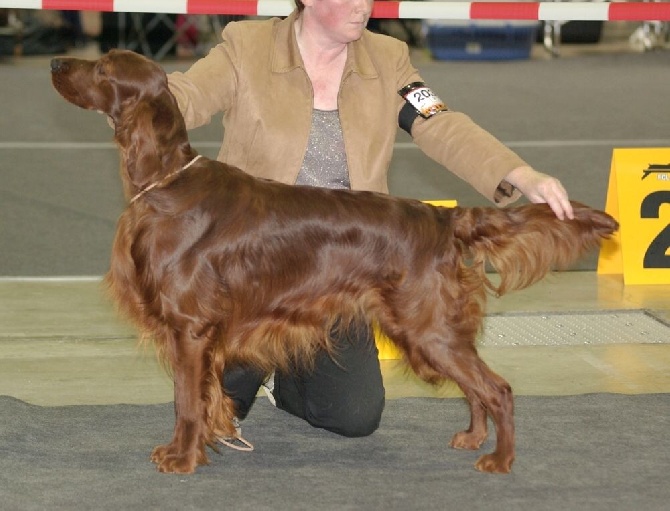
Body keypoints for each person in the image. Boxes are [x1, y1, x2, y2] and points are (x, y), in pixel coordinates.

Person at [166, 0, 574, 439]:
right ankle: (258, 364)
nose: (364, 6)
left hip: (347, 267)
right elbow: (188, 97)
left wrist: (519, 173)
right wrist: (138, 93)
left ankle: (288, 378)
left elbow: (439, 123)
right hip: (252, 265)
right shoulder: (246, 46)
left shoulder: (387, 58)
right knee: (211, 398)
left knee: (354, 416)